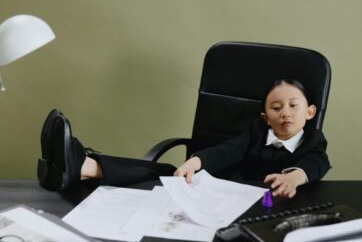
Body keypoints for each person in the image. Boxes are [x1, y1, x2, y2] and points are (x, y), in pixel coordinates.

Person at [37, 79, 330, 198]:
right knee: (166, 173)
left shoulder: (313, 140)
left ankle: (68, 168)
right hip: (217, 191)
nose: (285, 113)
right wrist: (197, 161)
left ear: (310, 112)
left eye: (294, 105)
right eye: (276, 108)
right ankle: (83, 166)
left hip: (255, 204)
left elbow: (318, 162)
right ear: (266, 116)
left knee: (165, 182)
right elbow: (229, 150)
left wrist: (293, 178)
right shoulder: (257, 131)